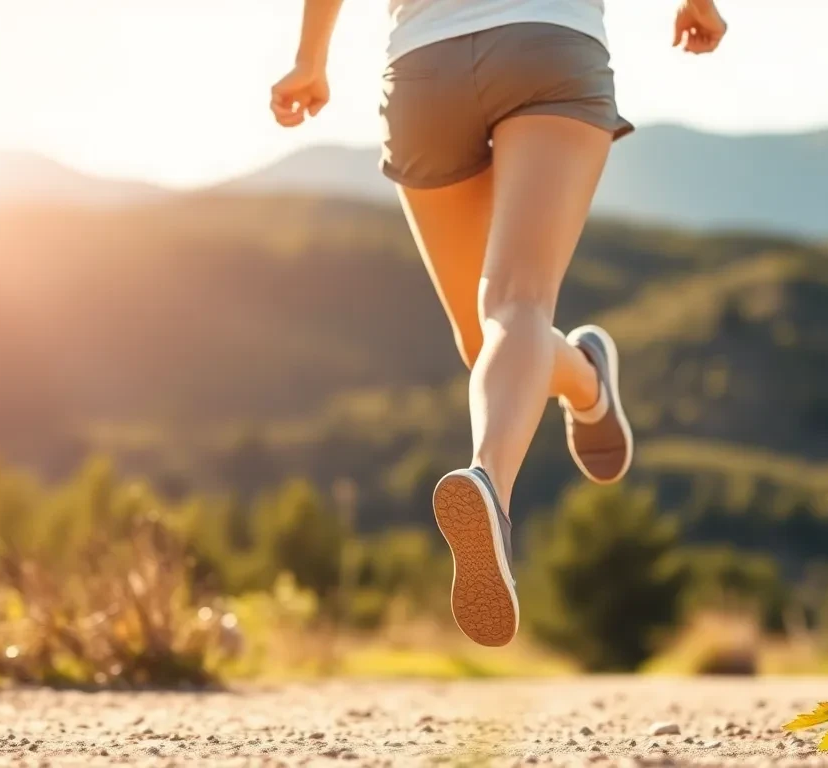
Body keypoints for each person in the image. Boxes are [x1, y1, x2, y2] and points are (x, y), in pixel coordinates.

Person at [272, 0, 727, 647]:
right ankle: (520, 448)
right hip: (548, 42)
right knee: (512, 314)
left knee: (490, 335)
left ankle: (577, 392)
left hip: (425, 64)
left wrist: (310, 61)